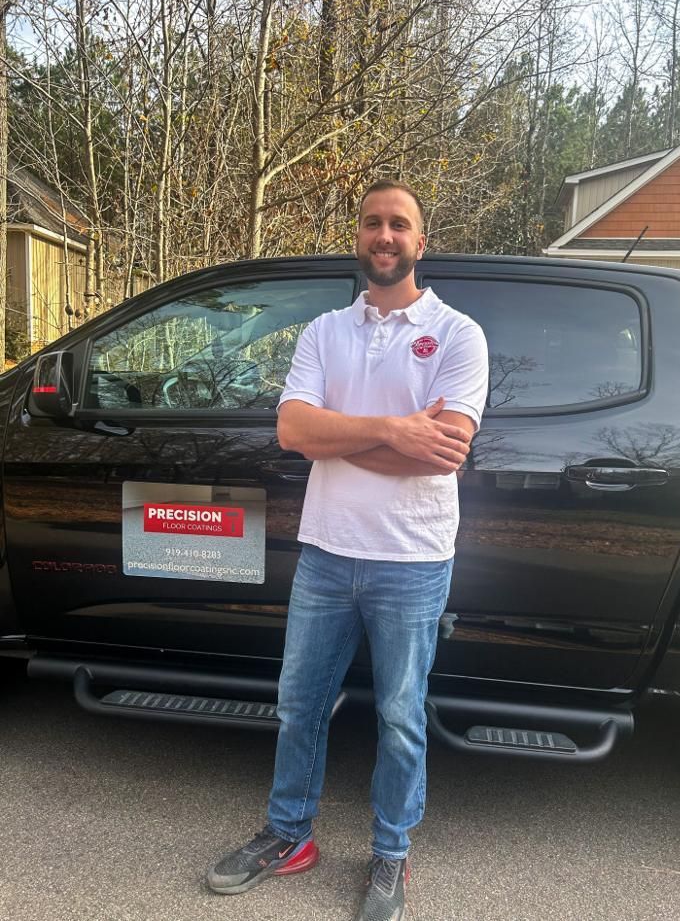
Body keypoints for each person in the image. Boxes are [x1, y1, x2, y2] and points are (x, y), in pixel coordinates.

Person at [206, 180, 489, 920]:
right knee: (299, 704)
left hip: (412, 559)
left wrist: (339, 434)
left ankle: (391, 853)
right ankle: (289, 835)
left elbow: (442, 454)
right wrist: (395, 429)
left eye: (399, 224)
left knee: (399, 716)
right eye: (371, 223)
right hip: (327, 552)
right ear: (357, 236)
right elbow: (293, 430)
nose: (384, 235)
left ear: (420, 241)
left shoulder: (458, 334)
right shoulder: (324, 333)